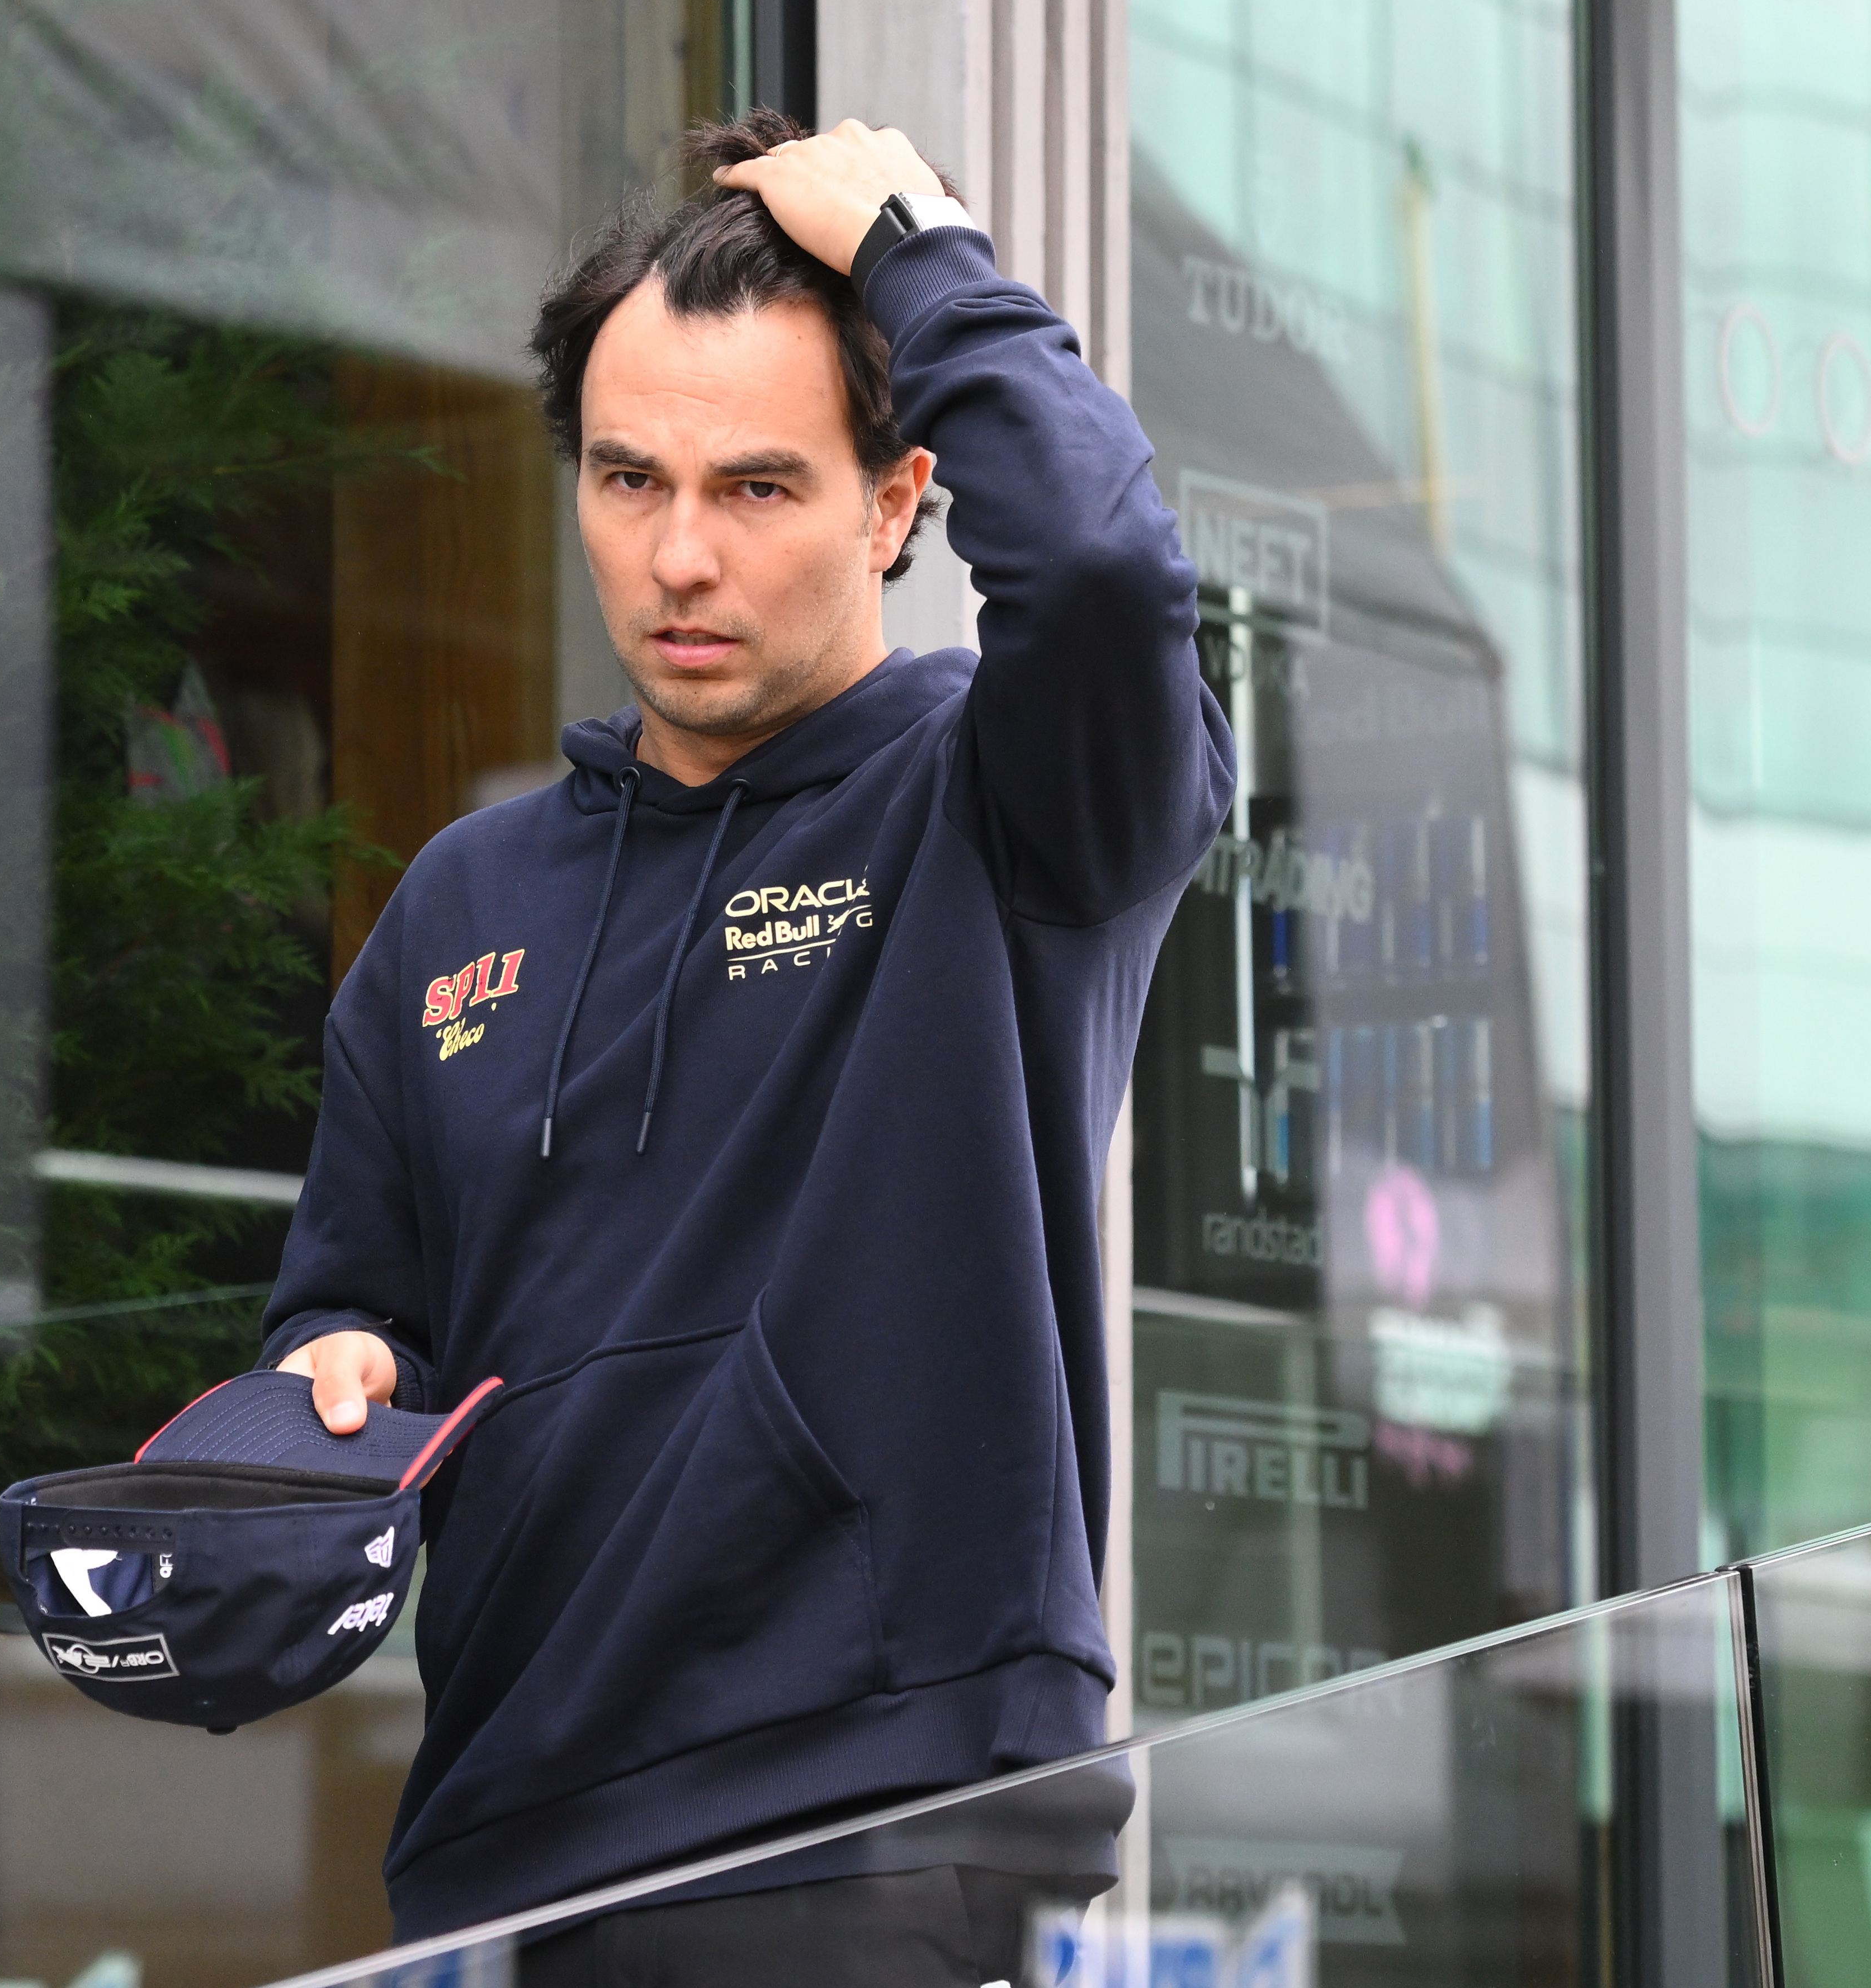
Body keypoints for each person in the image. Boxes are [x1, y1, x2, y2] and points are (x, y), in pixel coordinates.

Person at [255, 109, 1235, 1976]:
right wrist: (338, 1368)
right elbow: (350, 1305)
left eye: (759, 489)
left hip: (871, 1816)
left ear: (895, 503)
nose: (679, 556)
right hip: (506, 1843)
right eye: (629, 481)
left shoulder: (1010, 811)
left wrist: (914, 241)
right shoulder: (459, 908)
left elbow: (1107, 576)